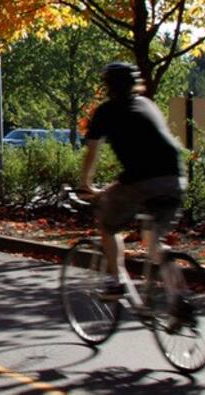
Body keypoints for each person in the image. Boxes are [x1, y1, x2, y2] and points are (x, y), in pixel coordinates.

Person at [78, 62, 187, 316]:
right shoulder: (148, 104)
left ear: (108, 86)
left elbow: (92, 151)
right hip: (174, 176)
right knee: (153, 240)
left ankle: (116, 282)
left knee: (108, 223)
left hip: (140, 179)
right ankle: (178, 296)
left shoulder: (106, 111)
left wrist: (86, 185)